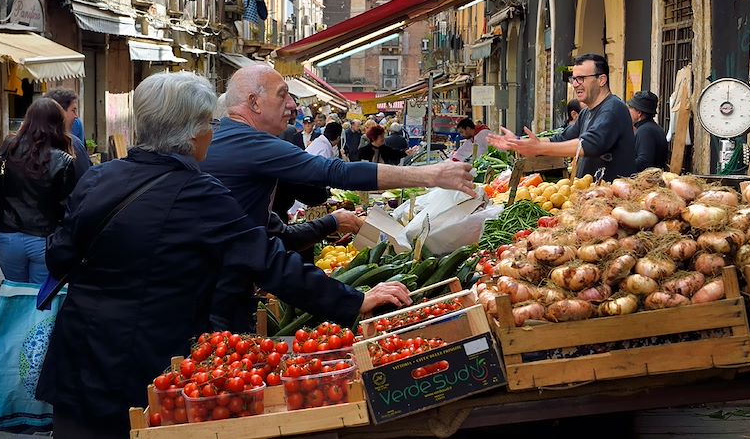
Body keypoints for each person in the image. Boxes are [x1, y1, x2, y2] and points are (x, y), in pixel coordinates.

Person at [36, 72, 410, 438]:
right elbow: (269, 263)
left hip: (77, 361)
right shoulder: (199, 193)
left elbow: (58, 256)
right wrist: (355, 300)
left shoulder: (100, 177)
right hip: (144, 368)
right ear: (193, 132)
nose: (212, 132)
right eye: (208, 124)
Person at [202, 66, 475, 231]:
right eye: (282, 95)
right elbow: (336, 171)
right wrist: (430, 175)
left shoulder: (223, 137)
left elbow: (271, 234)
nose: (292, 106)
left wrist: (332, 222)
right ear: (254, 103)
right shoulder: (254, 145)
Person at [488, 53, 635, 182]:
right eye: (574, 79)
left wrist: (539, 148)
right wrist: (518, 142)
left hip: (611, 201)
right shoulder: (585, 113)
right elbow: (561, 138)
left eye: (581, 78)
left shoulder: (613, 109)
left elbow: (591, 144)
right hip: (590, 198)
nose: (576, 84)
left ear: (602, 80)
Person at [0, 98, 77, 284]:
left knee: (14, 295)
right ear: (58, 123)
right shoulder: (63, 160)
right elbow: (67, 207)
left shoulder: (9, 148)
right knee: (38, 302)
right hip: (42, 239)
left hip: (9, 236)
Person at [44, 88, 92, 177]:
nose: (76, 116)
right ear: (60, 112)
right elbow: (86, 180)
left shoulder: (24, 146)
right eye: (73, 110)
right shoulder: (74, 144)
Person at [628, 90, 669, 172]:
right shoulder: (654, 128)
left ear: (639, 113)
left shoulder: (645, 131)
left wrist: (622, 164)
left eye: (630, 108)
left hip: (648, 182)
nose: (628, 111)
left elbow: (644, 163)